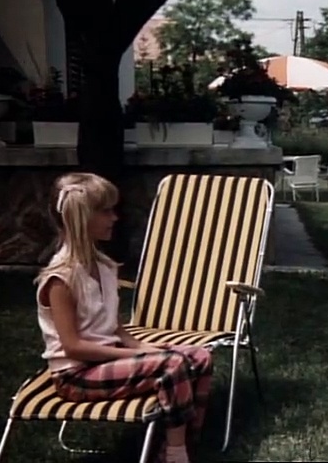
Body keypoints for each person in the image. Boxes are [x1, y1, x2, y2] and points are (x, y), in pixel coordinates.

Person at [35, 172, 213, 463]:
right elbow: (73, 347)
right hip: (77, 375)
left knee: (200, 355)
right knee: (173, 365)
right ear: (82, 217)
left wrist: (144, 348)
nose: (114, 218)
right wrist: (138, 355)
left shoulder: (105, 267)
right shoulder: (62, 279)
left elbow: (117, 330)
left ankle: (181, 441)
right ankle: (175, 454)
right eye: (106, 211)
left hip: (106, 359)